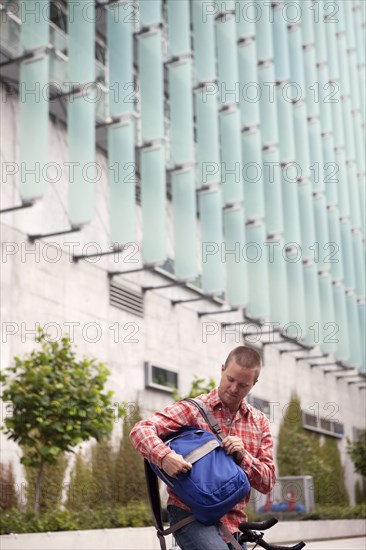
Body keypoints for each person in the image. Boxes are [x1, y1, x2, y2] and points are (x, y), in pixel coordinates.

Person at [130, 346, 276, 550]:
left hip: (235, 523)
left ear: (254, 383)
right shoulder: (193, 409)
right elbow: (140, 430)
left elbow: (268, 481)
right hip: (190, 516)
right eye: (230, 379)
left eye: (242, 385)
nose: (234, 389)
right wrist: (164, 457)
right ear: (222, 369)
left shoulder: (259, 422)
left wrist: (244, 457)